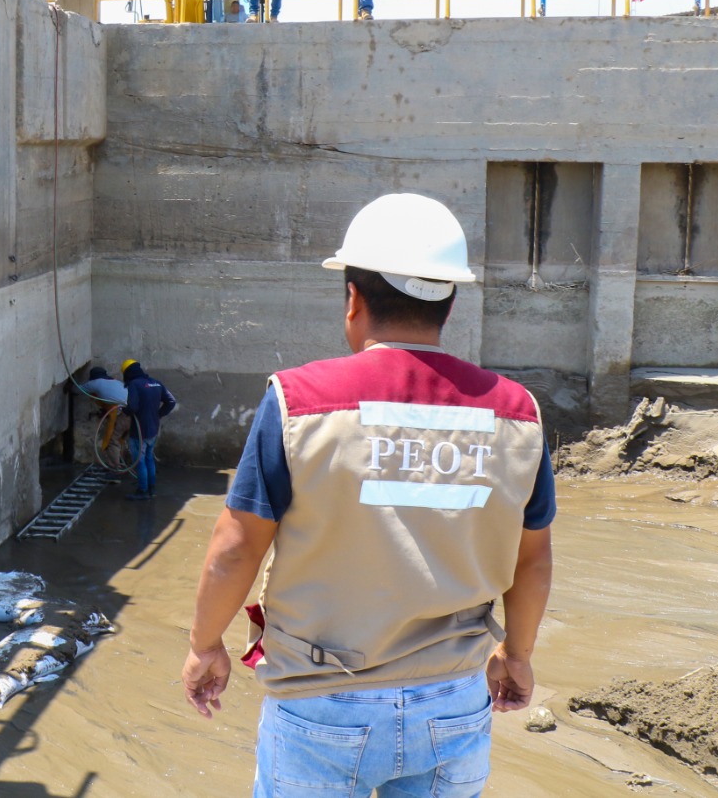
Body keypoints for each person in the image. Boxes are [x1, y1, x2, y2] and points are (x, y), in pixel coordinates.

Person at [180, 193, 555, 798]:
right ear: (449, 302)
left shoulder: (297, 402)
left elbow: (234, 549)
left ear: (353, 298)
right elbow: (532, 559)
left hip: (320, 704)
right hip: (454, 700)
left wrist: (205, 646)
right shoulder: (517, 414)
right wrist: (517, 654)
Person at [122, 358, 177, 500]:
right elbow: (171, 401)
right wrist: (158, 414)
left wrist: (125, 410)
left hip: (139, 430)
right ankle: (152, 489)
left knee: (139, 461)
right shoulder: (156, 382)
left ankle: (142, 491)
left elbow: (133, 407)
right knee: (149, 459)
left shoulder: (134, 384)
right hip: (153, 428)